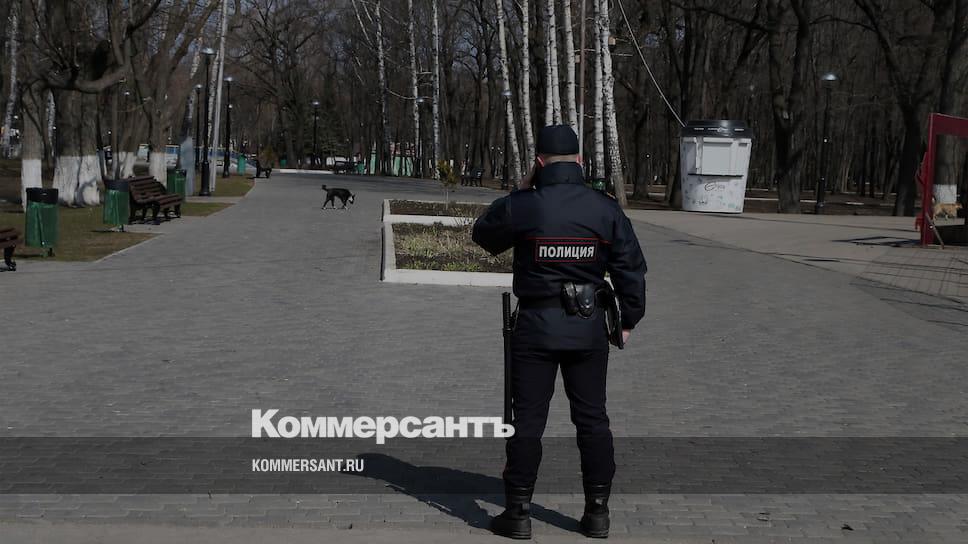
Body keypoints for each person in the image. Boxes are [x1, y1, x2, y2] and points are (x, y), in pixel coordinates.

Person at [473, 125, 647, 539]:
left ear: (538, 163)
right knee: (592, 419)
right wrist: (628, 319)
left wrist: (519, 191)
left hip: (535, 327)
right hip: (588, 329)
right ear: (580, 162)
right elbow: (631, 268)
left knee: (527, 420)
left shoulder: (524, 205)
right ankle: (597, 512)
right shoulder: (604, 209)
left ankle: (518, 512)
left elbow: (483, 235)